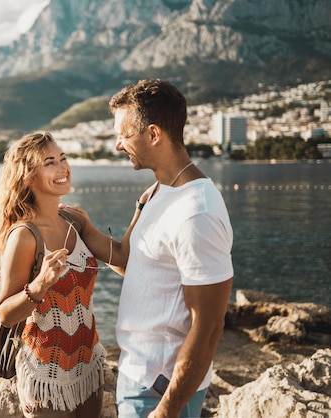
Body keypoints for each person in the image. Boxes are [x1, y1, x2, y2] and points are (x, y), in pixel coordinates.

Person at [104, 78, 234, 418]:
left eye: (124, 134)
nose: (118, 145)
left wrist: (166, 410)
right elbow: (128, 262)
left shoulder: (196, 212)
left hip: (159, 390)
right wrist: (79, 227)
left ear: (153, 134)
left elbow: (208, 327)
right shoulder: (159, 191)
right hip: (137, 376)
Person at [0, 131, 142, 418]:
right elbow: (6, 314)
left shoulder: (76, 220)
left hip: (89, 366)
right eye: (50, 162)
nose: (63, 168)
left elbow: (121, 259)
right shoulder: (24, 236)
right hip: (46, 374)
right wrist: (40, 284)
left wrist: (141, 209)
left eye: (63, 158)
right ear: (27, 176)